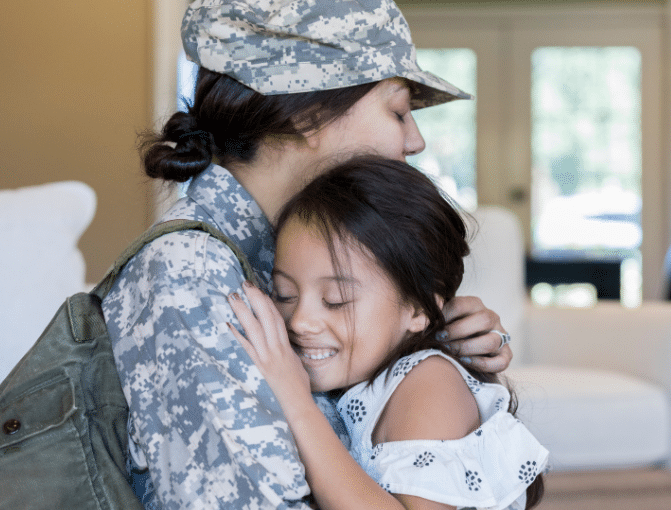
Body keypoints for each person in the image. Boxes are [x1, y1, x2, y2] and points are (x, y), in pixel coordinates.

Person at [102, 0, 513, 509]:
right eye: (397, 109)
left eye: (335, 297)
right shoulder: (192, 270)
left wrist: (421, 336)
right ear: (307, 111)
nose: (415, 140)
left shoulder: (272, 253)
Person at [227, 156, 547, 510]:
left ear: (417, 308)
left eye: (336, 300)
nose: (300, 321)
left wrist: (297, 404)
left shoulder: (429, 381)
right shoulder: (367, 374)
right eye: (285, 294)